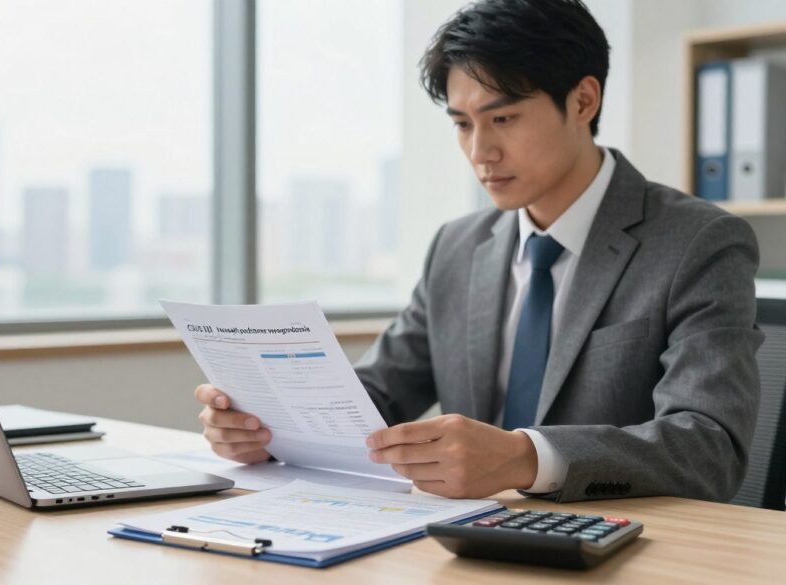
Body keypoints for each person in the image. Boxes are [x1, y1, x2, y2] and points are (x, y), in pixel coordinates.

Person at [194, 0, 763, 503]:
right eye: (462, 124)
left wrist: (525, 458)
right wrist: (265, 427)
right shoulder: (458, 246)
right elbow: (380, 394)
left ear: (584, 100)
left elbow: (709, 445)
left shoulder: (698, 243)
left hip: (616, 548)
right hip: (461, 541)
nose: (480, 151)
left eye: (504, 118)